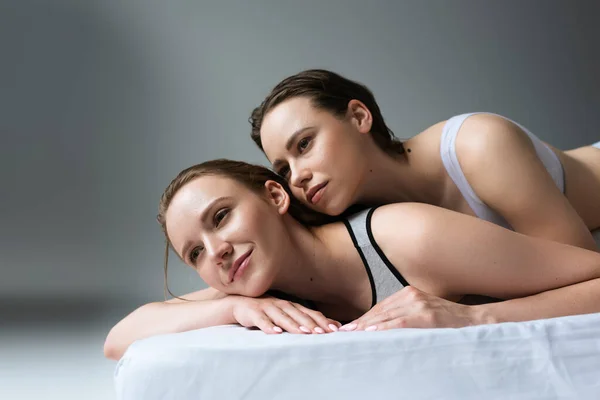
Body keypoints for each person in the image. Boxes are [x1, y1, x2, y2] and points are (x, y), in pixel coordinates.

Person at [104, 159, 600, 361]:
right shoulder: (250, 286)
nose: (215, 251)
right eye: (195, 252)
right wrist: (230, 308)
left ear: (276, 197)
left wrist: (473, 317)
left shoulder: (409, 237)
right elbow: (118, 339)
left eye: (221, 217)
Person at [249, 69, 600, 251]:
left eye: (305, 144)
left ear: (358, 117)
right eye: (283, 169)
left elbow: (585, 275)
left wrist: (461, 314)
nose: (296, 177)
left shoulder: (477, 145)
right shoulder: (359, 228)